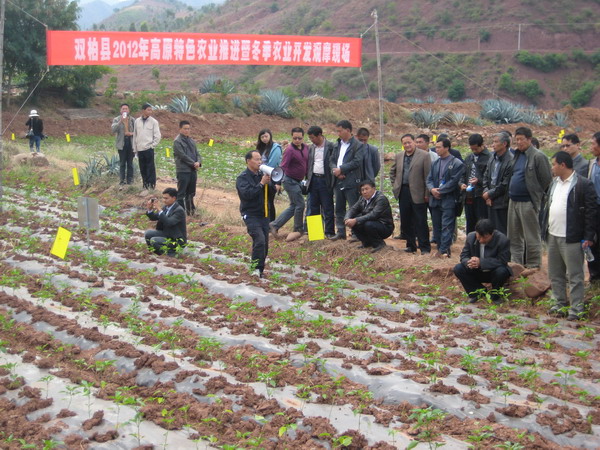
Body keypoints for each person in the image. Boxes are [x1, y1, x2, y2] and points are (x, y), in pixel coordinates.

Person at [543, 151, 597, 320]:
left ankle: (576, 308)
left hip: (571, 237)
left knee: (575, 275)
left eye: (554, 164)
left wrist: (588, 236)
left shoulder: (582, 184)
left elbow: (591, 212)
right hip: (553, 235)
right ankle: (559, 303)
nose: (552, 168)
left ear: (563, 165)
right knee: (556, 274)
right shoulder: (554, 183)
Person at [507, 127, 552, 268]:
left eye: (521, 139)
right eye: (517, 139)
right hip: (513, 200)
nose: (519, 142)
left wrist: (537, 195)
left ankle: (533, 266)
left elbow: (546, 180)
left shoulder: (538, 156)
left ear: (529, 140)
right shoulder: (517, 155)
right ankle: (516, 265)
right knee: (514, 236)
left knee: (531, 235)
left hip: (528, 202)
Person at [390, 133, 431, 254]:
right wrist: (396, 185)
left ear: (414, 142)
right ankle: (410, 245)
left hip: (419, 192)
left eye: (409, 142)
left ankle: (424, 247)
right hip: (404, 192)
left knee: (420, 221)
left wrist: (427, 194)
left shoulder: (424, 155)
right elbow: (392, 172)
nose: (407, 145)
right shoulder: (399, 156)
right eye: (405, 143)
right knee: (406, 220)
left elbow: (428, 176)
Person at [453, 219, 512, 304]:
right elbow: (464, 256)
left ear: (492, 234)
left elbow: (503, 260)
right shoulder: (471, 237)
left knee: (502, 271)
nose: (481, 240)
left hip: (493, 273)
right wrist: (469, 262)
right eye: (479, 236)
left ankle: (495, 296)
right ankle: (477, 292)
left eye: (485, 237)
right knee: (458, 268)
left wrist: (481, 262)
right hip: (476, 271)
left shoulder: (502, 240)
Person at [426, 138, 465, 258]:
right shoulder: (435, 163)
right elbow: (429, 179)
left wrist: (441, 191)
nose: (436, 149)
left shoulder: (457, 163)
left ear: (447, 148)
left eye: (439, 147)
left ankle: (443, 251)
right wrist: (432, 189)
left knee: (447, 226)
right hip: (435, 199)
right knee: (436, 226)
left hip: (448, 199)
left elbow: (454, 182)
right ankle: (440, 248)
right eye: (436, 147)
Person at [236, 151, 271, 278]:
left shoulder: (261, 175)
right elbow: (247, 195)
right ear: (248, 161)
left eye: (260, 159)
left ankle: (260, 270)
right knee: (259, 240)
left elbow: (270, 194)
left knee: (265, 243)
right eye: (256, 159)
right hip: (250, 214)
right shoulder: (243, 178)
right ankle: (255, 268)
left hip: (264, 214)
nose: (259, 162)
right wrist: (261, 184)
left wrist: (271, 183)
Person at [329, 120, 365, 240]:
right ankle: (340, 232)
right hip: (338, 180)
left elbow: (357, 161)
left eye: (340, 131)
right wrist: (336, 171)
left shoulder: (357, 145)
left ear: (348, 130)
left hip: (351, 181)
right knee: (339, 207)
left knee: (353, 207)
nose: (338, 133)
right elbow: (332, 160)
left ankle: (356, 233)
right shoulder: (337, 144)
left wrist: (342, 169)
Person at [270, 128, 309, 238]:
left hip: (299, 181)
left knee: (294, 206)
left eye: (299, 138)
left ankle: (274, 225)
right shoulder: (289, 150)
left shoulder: (306, 147)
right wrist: (278, 182)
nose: (297, 140)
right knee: (300, 204)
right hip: (289, 180)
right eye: (295, 138)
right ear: (291, 137)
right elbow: (283, 166)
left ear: (303, 137)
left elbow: (306, 163)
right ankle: (298, 229)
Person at [344, 180, 394, 253]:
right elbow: (353, 209)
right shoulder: (362, 199)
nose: (364, 192)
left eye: (367, 189)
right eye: (362, 190)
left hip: (384, 226)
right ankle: (366, 243)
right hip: (371, 223)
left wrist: (356, 220)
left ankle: (379, 244)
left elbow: (374, 215)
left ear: (373, 189)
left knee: (367, 224)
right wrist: (347, 218)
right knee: (355, 223)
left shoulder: (381, 199)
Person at [306, 126, 335, 238]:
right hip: (313, 179)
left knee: (327, 206)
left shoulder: (331, 146)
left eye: (313, 137)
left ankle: (329, 232)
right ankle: (315, 233)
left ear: (319, 135)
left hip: (325, 180)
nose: (312, 140)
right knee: (313, 206)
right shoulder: (311, 148)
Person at [483, 132, 514, 235]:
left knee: (501, 232)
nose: (493, 144)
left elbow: (505, 184)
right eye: (493, 142)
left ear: (504, 144)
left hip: (501, 202)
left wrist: (489, 195)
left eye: (496, 142)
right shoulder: (492, 158)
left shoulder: (511, 160)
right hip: (489, 200)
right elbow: (486, 176)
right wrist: (486, 192)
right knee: (491, 232)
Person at [460, 133, 491, 234]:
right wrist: (461, 184)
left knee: (481, 223)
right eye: (472, 149)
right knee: (470, 222)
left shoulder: (489, 158)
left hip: (481, 196)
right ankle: (471, 245)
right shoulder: (469, 158)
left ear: (482, 145)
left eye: (476, 149)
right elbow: (462, 174)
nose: (474, 151)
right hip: (469, 195)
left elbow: (490, 178)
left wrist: (479, 181)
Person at [144, 187, 187, 256]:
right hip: (167, 234)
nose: (164, 200)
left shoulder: (179, 210)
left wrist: (159, 209)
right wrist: (149, 210)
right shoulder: (166, 207)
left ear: (174, 198)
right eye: (163, 198)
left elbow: (169, 222)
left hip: (176, 239)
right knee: (148, 233)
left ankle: (171, 254)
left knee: (154, 240)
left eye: (166, 198)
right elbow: (154, 217)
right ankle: (155, 253)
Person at [173, 120, 202, 216]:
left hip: (192, 170)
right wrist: (193, 163)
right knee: (181, 193)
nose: (187, 131)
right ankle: (180, 213)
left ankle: (190, 212)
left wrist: (198, 162)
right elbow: (182, 155)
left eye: (188, 129)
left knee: (191, 193)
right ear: (180, 129)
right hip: (183, 170)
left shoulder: (191, 141)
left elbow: (197, 153)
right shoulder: (177, 141)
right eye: (185, 129)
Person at [255, 129, 283, 221]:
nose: (264, 139)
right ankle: (264, 222)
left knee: (269, 201)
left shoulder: (275, 148)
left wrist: (278, 183)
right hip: (261, 177)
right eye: (262, 137)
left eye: (266, 136)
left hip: (271, 177)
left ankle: (271, 224)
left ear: (270, 136)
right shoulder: (261, 148)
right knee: (262, 201)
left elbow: (273, 165)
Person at [133, 103, 161, 190]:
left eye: (151, 110)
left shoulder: (154, 122)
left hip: (148, 149)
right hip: (140, 149)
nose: (150, 111)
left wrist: (152, 145)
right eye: (148, 109)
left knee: (150, 168)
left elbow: (157, 136)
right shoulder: (137, 121)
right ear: (143, 110)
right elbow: (135, 135)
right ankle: (145, 184)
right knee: (142, 168)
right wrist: (135, 148)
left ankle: (151, 185)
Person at [111, 103, 135, 186]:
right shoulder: (116, 119)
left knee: (130, 163)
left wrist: (131, 134)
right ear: (120, 110)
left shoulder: (132, 120)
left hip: (131, 143)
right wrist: (120, 121)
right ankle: (122, 180)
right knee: (122, 163)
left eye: (126, 109)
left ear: (129, 110)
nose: (125, 110)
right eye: (123, 109)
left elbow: (137, 132)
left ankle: (130, 181)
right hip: (122, 143)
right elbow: (113, 130)